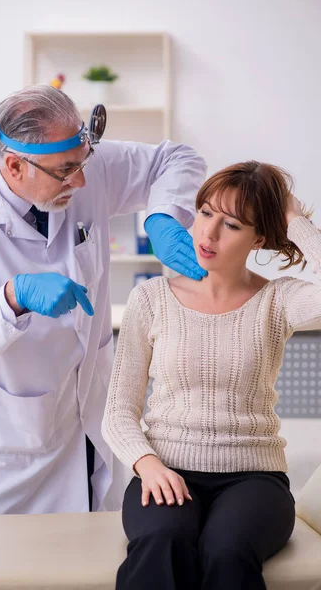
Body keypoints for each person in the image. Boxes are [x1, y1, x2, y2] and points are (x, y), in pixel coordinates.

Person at [0, 84, 207, 515]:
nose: (82, 180)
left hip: (95, 408)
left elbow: (177, 158)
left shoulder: (77, 163)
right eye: (65, 171)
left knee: (98, 552)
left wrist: (165, 216)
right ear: (15, 166)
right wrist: (12, 299)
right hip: (12, 434)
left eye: (83, 160)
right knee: (13, 566)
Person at [102, 160, 318, 589]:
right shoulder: (151, 298)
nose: (208, 233)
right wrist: (148, 465)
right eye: (205, 213)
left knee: (227, 549)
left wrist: (294, 218)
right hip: (165, 467)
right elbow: (118, 411)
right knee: (163, 539)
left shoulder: (278, 302)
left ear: (260, 237)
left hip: (254, 477)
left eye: (232, 224)